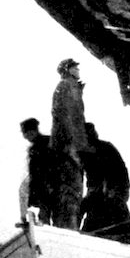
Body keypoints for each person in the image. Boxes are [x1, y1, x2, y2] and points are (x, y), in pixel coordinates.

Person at [80, 123, 130, 243]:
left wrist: (111, 191)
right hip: (103, 194)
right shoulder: (86, 152)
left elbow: (118, 174)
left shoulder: (105, 149)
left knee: (113, 218)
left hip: (112, 193)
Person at [50, 58, 88, 229]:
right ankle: (68, 228)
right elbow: (64, 116)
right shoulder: (66, 86)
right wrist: (70, 145)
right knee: (70, 190)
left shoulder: (72, 87)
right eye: (74, 67)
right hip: (69, 148)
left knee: (73, 190)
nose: (78, 70)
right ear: (67, 70)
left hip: (72, 146)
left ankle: (69, 227)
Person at [19, 118, 55, 224]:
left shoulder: (39, 146)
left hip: (46, 186)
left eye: (26, 133)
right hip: (46, 186)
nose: (25, 137)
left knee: (44, 214)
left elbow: (37, 173)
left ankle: (26, 220)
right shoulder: (47, 142)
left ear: (32, 132)